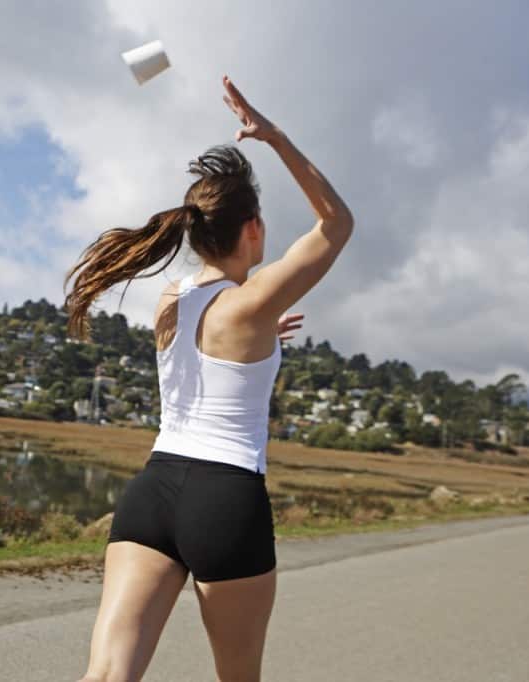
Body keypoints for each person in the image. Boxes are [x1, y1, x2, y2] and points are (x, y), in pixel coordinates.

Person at [63, 74, 354, 682]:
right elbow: (336, 223)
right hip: (224, 498)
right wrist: (273, 138)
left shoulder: (170, 299)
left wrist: (261, 340)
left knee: (107, 674)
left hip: (154, 492)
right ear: (253, 230)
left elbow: (206, 355)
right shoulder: (250, 306)